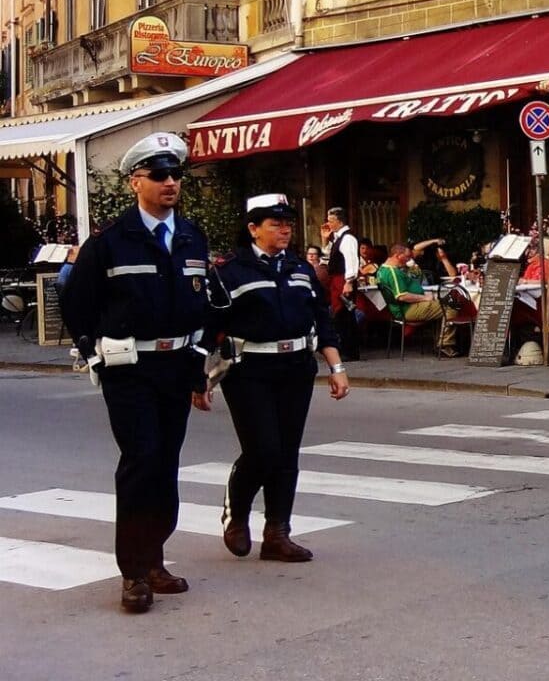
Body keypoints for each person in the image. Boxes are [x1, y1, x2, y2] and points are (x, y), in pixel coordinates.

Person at [60, 132, 213, 614]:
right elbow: (76, 301)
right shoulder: (109, 242)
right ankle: (133, 572)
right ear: (135, 183)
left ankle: (155, 559)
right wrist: (91, 351)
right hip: (130, 369)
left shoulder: (191, 236)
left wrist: (200, 358)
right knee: (141, 458)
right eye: (159, 175)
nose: (171, 183)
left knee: (166, 463)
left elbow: (204, 301)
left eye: (176, 175)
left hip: (177, 364)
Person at [208, 194, 349, 563]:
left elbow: (321, 320)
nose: (284, 229)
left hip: (295, 368)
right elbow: (210, 328)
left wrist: (336, 368)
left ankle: (277, 533)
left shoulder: (301, 269)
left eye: (287, 223)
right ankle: (236, 514)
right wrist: (200, 379)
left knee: (286, 453)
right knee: (263, 449)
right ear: (253, 229)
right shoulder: (229, 271)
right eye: (275, 223)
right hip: (249, 370)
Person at [377, 242, 458, 357]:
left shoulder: (381, 270)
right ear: (398, 256)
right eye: (407, 257)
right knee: (451, 305)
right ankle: (445, 345)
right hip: (407, 309)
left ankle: (440, 342)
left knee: (440, 306)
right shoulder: (393, 272)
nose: (409, 259)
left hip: (401, 309)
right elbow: (402, 296)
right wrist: (425, 298)